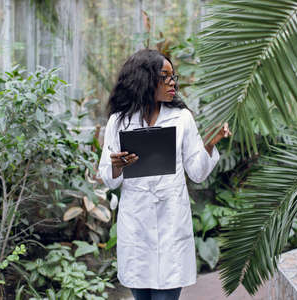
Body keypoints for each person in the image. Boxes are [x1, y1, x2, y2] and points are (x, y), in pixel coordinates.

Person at [98, 49, 231, 300]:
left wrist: (210, 144)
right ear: (145, 79)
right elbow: (108, 177)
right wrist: (118, 165)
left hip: (171, 221)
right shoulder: (119, 122)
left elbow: (198, 173)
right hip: (136, 225)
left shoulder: (181, 119)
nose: (173, 83)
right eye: (165, 76)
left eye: (174, 77)